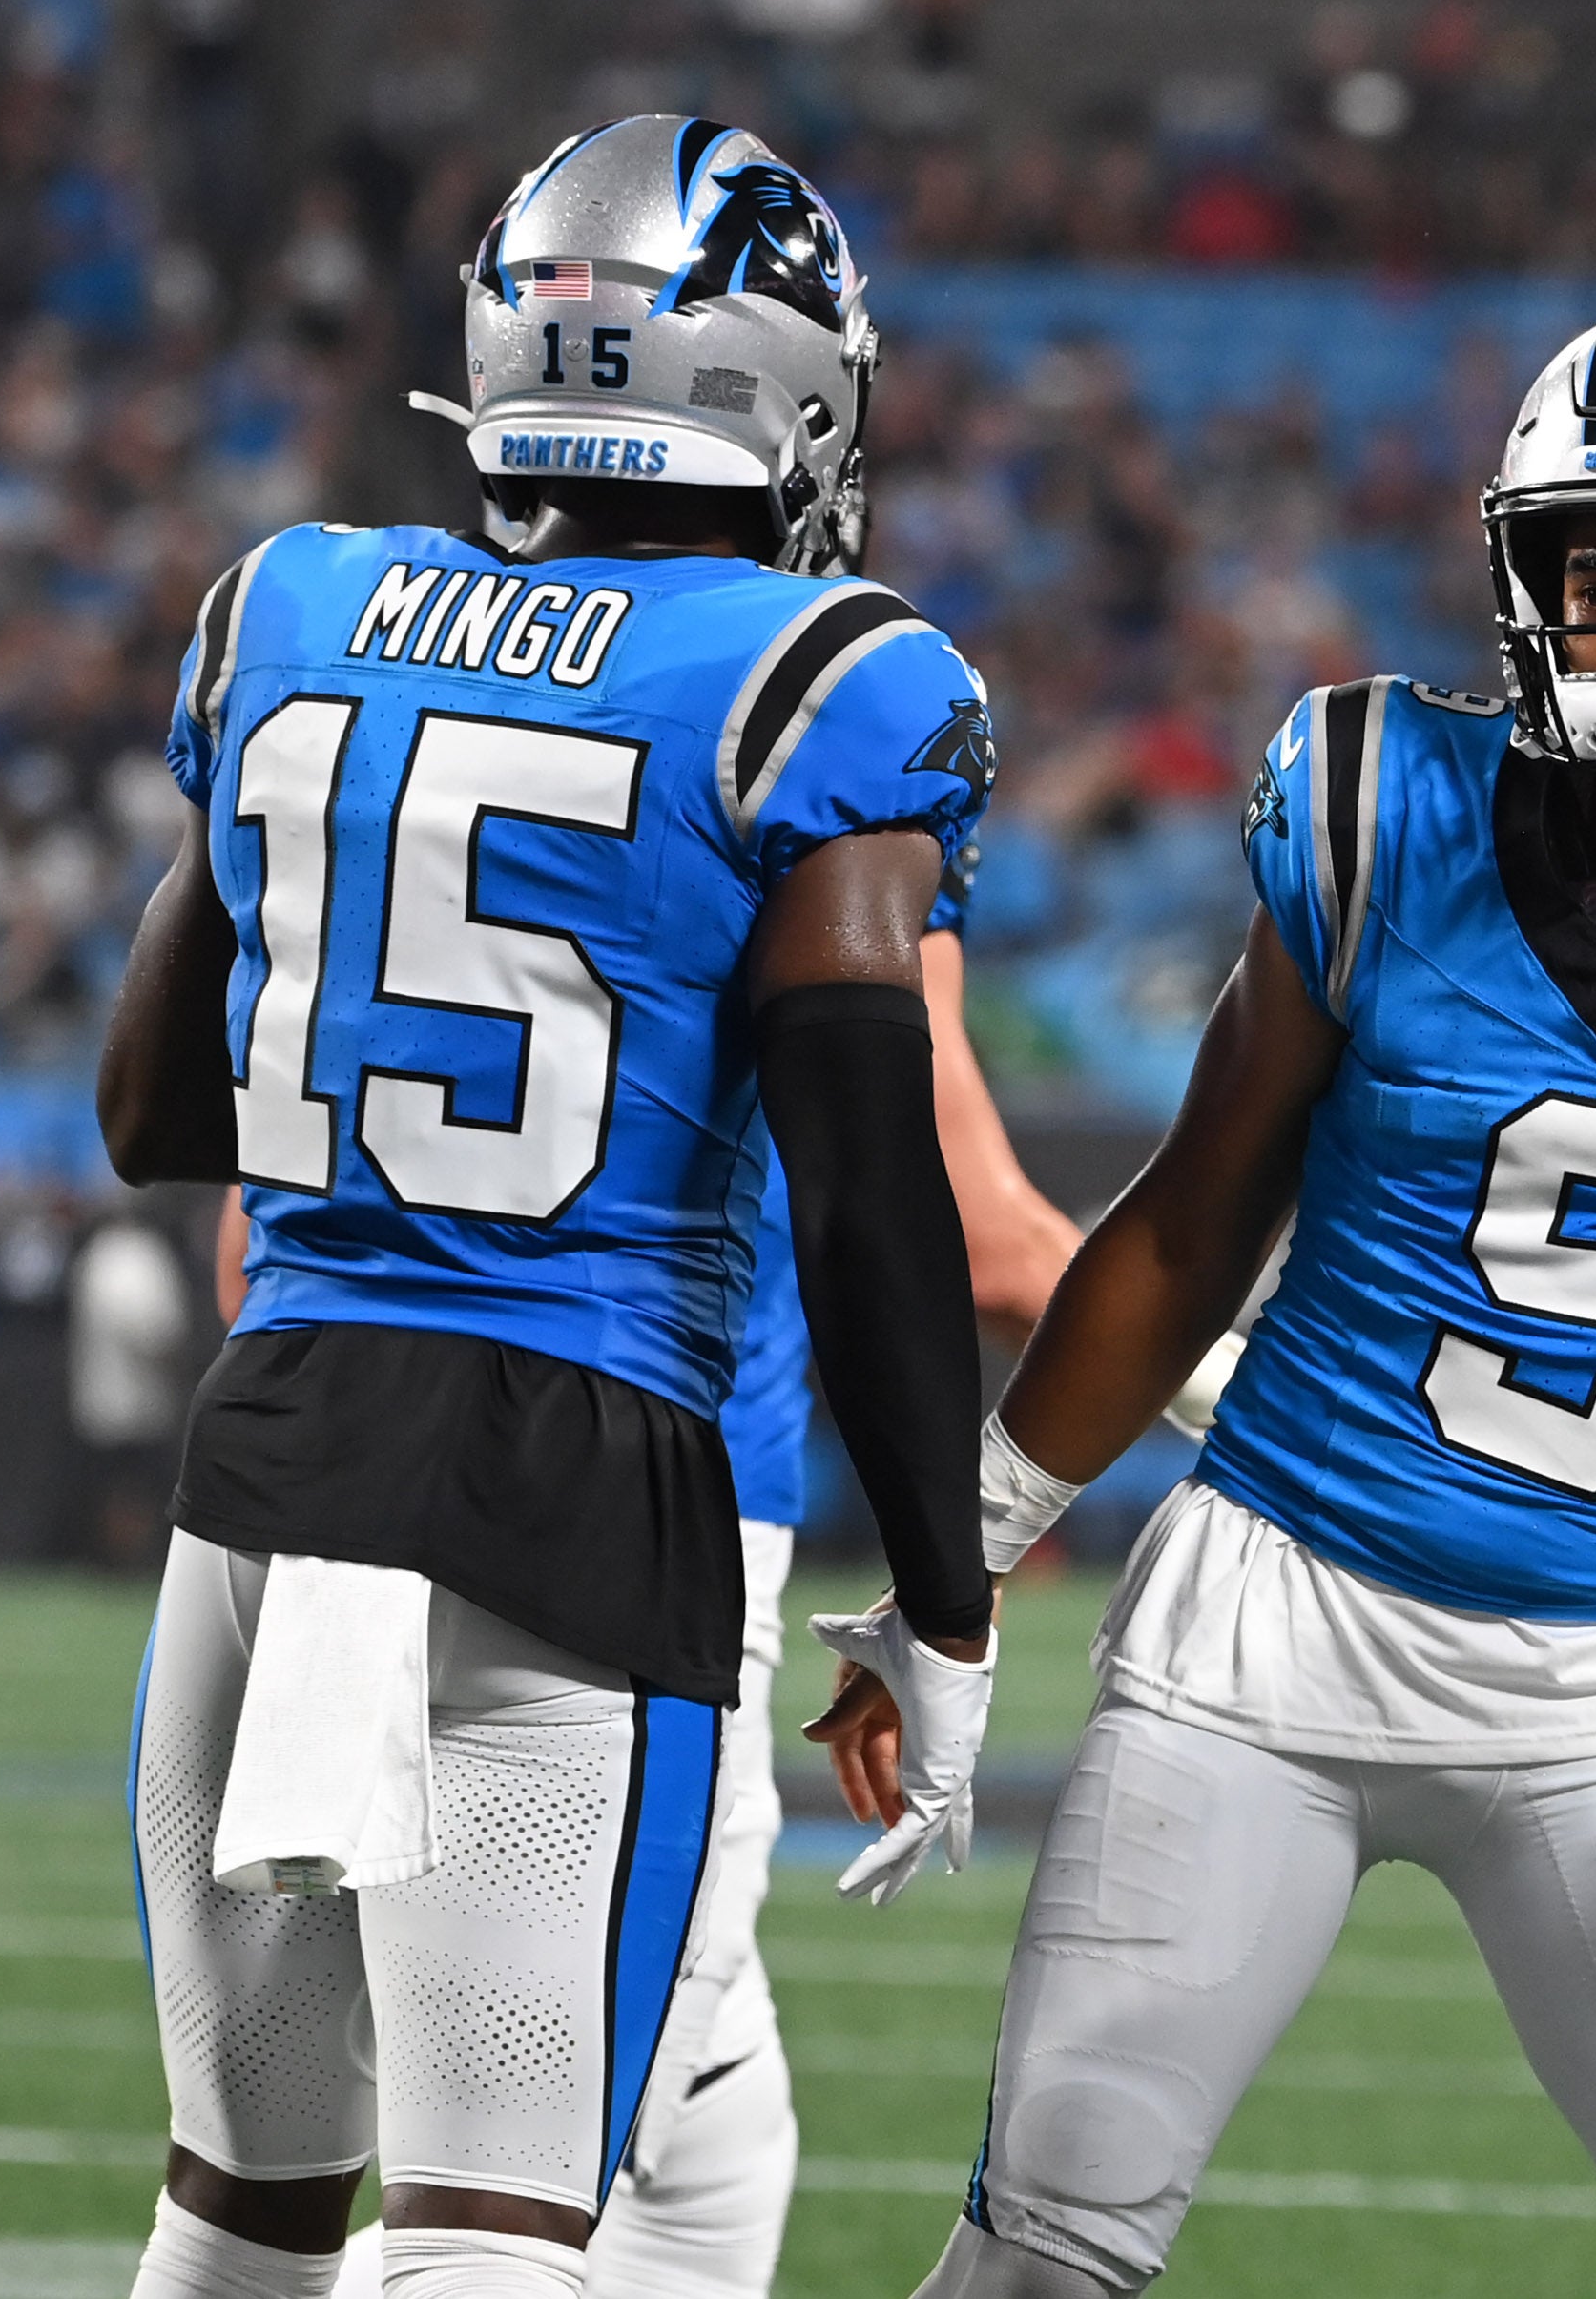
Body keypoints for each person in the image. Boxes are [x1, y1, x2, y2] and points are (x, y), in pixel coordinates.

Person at [857, 295, 1596, 2299]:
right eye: (1593, 577)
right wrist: (957, 1569)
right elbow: (1179, 1227)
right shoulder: (1378, 803)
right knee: (1047, 2246)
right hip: (1267, 1634)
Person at [97, 116, 1001, 2299]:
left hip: (270, 1460)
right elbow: (875, 1210)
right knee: (494, 2229)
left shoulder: (292, 606)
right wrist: (947, 1607)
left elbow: (148, 1108)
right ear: (781, 384)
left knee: (243, 2205)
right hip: (570, 1488)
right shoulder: (827, 680)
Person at [203, 909, 1081, 2299]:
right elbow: (982, 1242)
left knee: (714, 2152)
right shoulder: (811, 754)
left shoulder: (413, 704)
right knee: (531, 2191)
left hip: (318, 1450)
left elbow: (239, 1241)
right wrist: (1259, 1365)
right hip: (647, 1493)